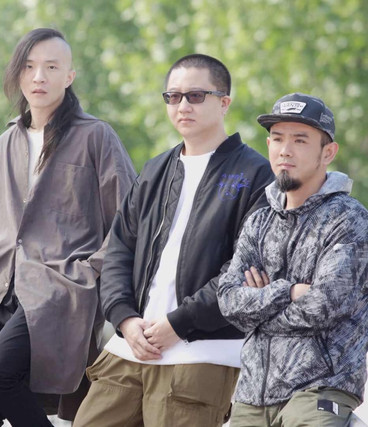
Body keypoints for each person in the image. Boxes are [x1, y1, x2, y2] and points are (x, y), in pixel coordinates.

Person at [73, 54, 274, 427]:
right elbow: (119, 250)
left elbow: (244, 271)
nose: (183, 105)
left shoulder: (256, 174)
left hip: (201, 354)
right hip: (130, 347)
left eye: (196, 96)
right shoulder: (155, 170)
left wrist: (178, 324)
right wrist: (124, 318)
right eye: (173, 96)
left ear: (224, 102)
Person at [0, 28, 136, 426]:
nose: (38, 77)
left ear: (69, 76)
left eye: (51, 67)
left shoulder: (95, 136)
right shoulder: (5, 143)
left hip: (58, 289)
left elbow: (129, 217)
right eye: (29, 67)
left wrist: (89, 271)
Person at [217, 93, 368, 426]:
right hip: (252, 393)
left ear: (328, 153)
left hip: (321, 388)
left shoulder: (349, 220)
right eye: (277, 139)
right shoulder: (259, 222)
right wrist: (289, 292)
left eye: (300, 140)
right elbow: (228, 302)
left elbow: (324, 306)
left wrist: (259, 307)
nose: (285, 150)